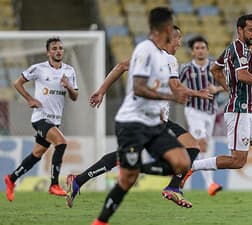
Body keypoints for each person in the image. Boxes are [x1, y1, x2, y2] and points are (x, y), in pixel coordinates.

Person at [66, 25, 211, 209]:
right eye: (178, 38)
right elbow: (123, 67)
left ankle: (173, 186)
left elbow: (124, 68)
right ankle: (79, 180)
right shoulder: (160, 58)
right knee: (125, 157)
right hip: (147, 119)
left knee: (192, 145)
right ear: (169, 39)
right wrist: (101, 90)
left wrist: (102, 90)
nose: (180, 43)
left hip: (160, 119)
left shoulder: (165, 59)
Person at [91, 7, 196, 225]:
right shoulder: (144, 51)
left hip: (153, 123)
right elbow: (139, 88)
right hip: (132, 123)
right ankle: (100, 221)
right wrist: (171, 95)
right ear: (167, 28)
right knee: (128, 181)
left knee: (183, 162)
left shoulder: (164, 57)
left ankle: (134, 166)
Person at [180, 14, 252, 213]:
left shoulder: (237, 49)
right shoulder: (239, 48)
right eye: (250, 30)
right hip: (239, 111)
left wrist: (227, 88)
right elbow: (241, 74)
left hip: (248, 110)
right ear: (240, 30)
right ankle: (191, 166)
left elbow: (215, 69)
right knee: (238, 161)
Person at [4, 37, 79, 201]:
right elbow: (18, 83)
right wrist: (30, 99)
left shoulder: (69, 71)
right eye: (54, 48)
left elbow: (75, 97)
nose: (58, 51)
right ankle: (54, 185)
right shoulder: (39, 69)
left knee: (36, 155)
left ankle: (11, 179)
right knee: (61, 143)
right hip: (40, 118)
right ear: (48, 52)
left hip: (55, 120)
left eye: (60, 48)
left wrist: (68, 87)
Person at [179, 35, 224, 196]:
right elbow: (176, 85)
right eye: (197, 48)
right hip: (193, 111)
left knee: (202, 147)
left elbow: (228, 85)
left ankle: (183, 171)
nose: (200, 51)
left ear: (207, 49)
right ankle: (210, 184)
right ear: (192, 52)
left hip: (211, 112)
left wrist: (216, 89)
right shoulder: (186, 69)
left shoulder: (215, 66)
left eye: (202, 48)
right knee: (203, 143)